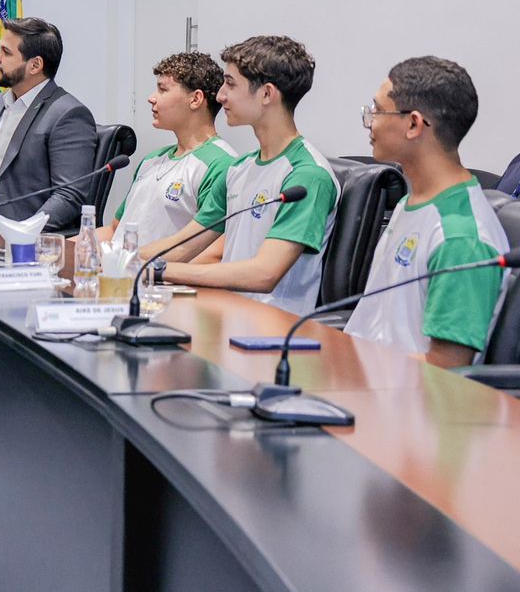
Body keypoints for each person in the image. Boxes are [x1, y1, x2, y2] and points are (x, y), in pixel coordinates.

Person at [151, 36, 339, 315]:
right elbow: (184, 245)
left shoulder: (307, 175)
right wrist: (119, 261)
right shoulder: (239, 168)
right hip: (226, 314)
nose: (220, 96)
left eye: (230, 84)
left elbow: (264, 274)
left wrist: (160, 271)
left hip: (273, 327)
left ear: (266, 94)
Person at [346, 57, 507, 367]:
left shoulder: (460, 238)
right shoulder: (412, 203)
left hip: (398, 393)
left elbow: (445, 368)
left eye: (377, 111)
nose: (370, 122)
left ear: (413, 124)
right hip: (361, 377)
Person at [0, 17, 98, 233]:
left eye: (6, 52)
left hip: (15, 237)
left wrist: (22, 234)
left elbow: (68, 196)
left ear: (35, 65)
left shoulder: (68, 115)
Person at [100, 52, 235, 246]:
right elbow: (115, 230)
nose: (151, 98)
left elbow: (214, 251)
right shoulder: (151, 160)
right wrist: (64, 244)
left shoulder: (221, 164)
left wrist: (135, 262)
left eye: (162, 90)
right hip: (119, 261)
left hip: (153, 265)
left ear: (195, 99)